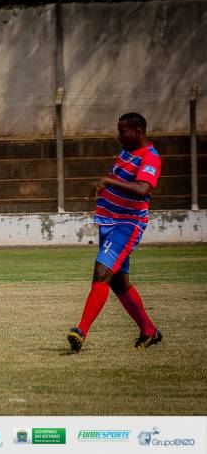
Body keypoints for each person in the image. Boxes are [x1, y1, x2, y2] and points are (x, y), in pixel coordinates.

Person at [67, 112, 162, 352]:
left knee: (101, 272)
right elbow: (120, 178)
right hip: (109, 222)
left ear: (138, 131)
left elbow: (142, 188)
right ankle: (149, 331)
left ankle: (81, 330)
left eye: (123, 131)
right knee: (119, 283)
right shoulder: (126, 152)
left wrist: (108, 182)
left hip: (127, 224)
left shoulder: (150, 157)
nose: (118, 136)